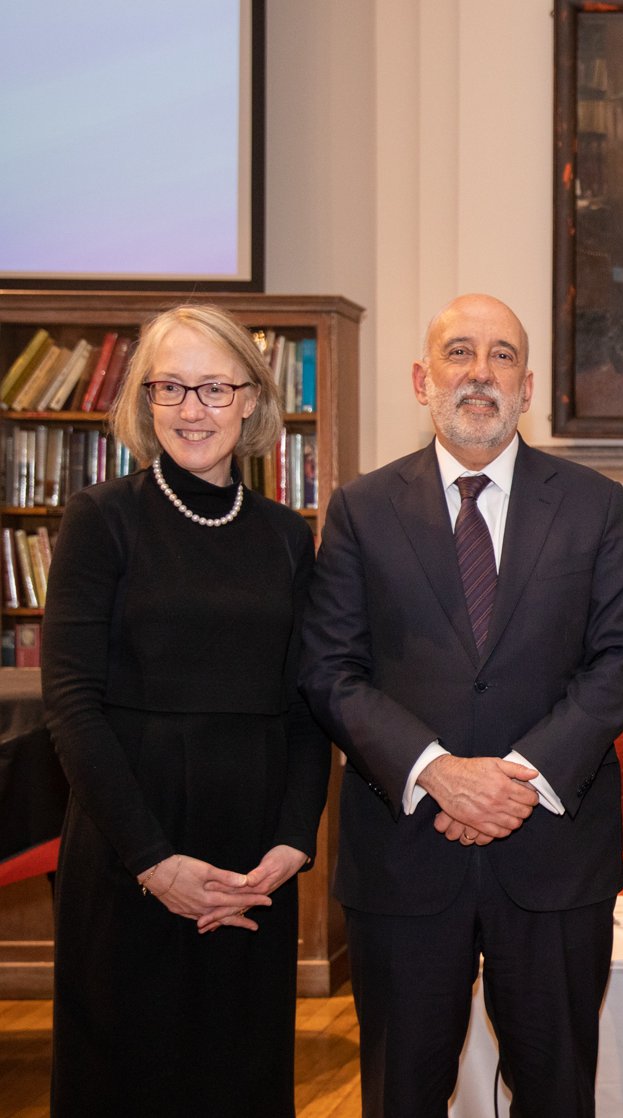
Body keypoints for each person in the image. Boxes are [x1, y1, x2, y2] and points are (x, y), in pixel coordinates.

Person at [299, 294, 623, 1117]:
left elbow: (622, 661)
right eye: (459, 352)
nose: (480, 373)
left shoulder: (595, 504)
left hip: (552, 858)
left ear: (527, 387)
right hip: (404, 857)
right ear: (423, 380)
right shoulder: (361, 509)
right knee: (402, 1095)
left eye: (502, 356)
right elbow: (330, 669)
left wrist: (515, 780)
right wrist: (439, 773)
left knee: (558, 1094)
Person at [43, 304, 327, 1116]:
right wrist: (154, 863)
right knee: (126, 1077)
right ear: (145, 400)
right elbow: (71, 703)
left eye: (213, 388)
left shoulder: (287, 536)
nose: (191, 409)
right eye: (169, 387)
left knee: (239, 1076)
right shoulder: (101, 519)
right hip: (130, 847)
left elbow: (308, 704)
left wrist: (293, 841)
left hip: (251, 859)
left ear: (250, 399)